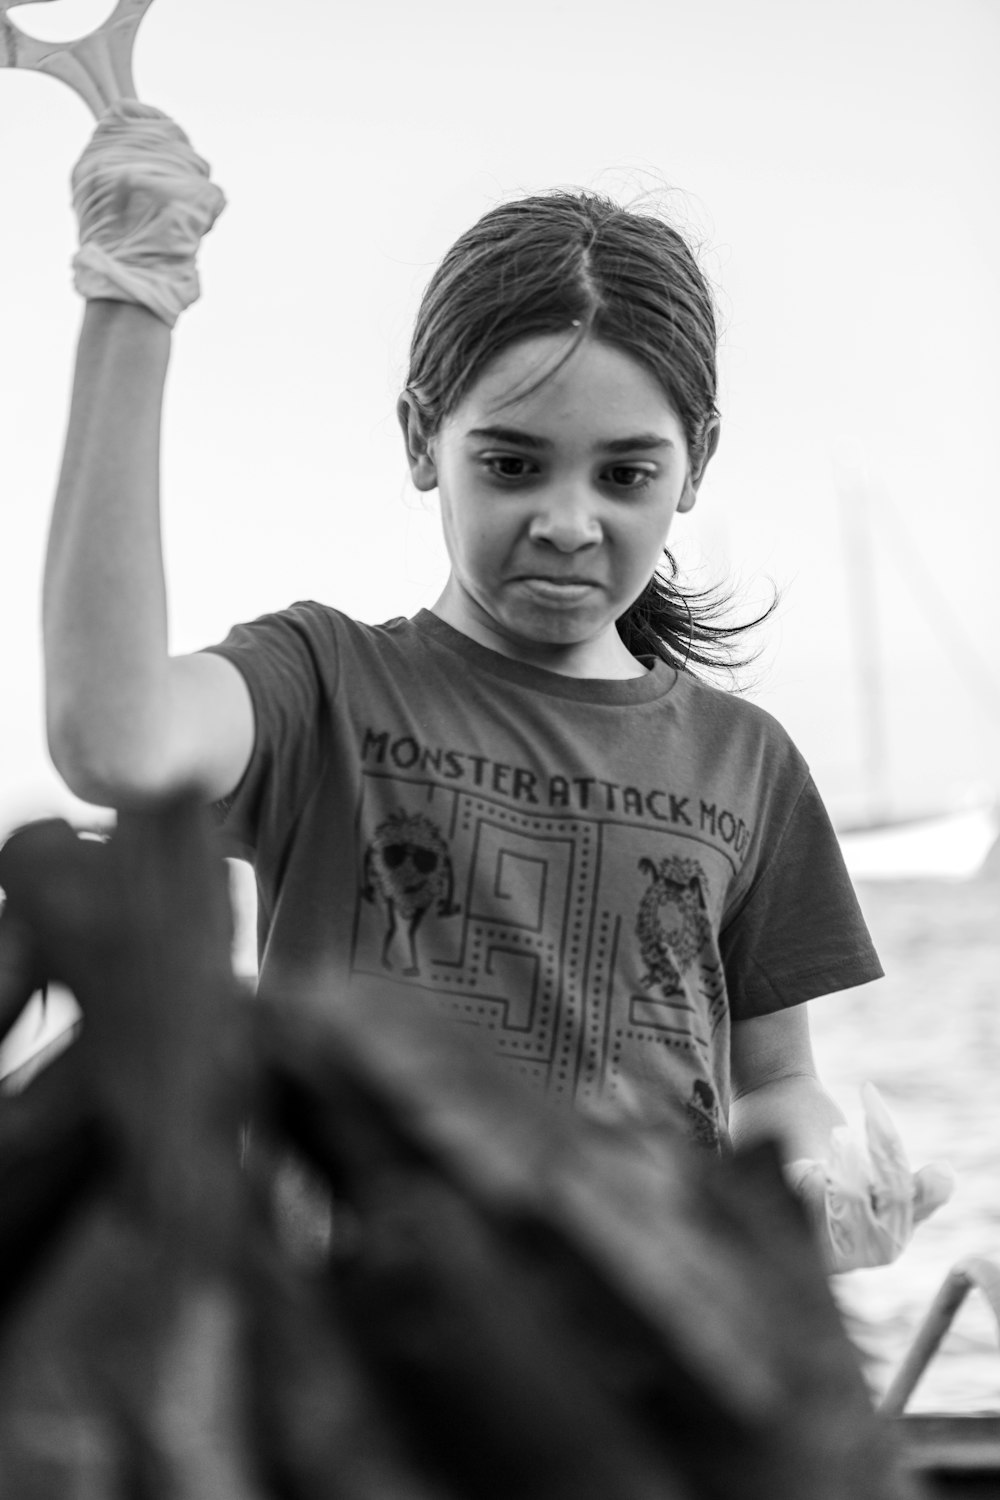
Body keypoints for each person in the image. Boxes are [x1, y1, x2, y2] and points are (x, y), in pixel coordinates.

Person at [43, 103, 953, 1272]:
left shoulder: (748, 761)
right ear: (424, 438)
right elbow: (110, 739)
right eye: (512, 463)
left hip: (642, 1396)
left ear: (696, 466)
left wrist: (811, 1198)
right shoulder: (322, 685)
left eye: (625, 472)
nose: (569, 522)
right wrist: (133, 301)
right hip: (355, 1392)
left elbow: (777, 1084)